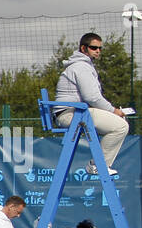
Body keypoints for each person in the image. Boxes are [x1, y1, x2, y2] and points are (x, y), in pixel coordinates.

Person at [53, 33, 130, 176]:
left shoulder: (84, 66)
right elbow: (92, 97)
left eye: (100, 48)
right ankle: (98, 165)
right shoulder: (81, 67)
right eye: (94, 47)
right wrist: (114, 111)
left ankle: (99, 164)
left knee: (118, 124)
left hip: (76, 113)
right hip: (70, 115)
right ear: (83, 48)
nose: (98, 51)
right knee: (121, 126)